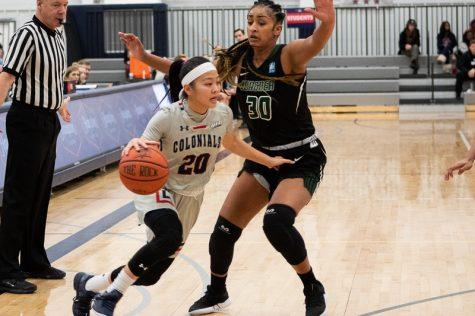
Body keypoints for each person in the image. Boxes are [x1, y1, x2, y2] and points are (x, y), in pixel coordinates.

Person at [71, 56, 293, 316]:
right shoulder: (166, 117)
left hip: (192, 196)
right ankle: (111, 296)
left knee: (151, 274)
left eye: (218, 83)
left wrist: (269, 161)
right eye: (208, 84)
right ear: (187, 88)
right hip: (159, 189)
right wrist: (134, 144)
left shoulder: (222, 114)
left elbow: (233, 143)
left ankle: (88, 284)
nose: (216, 89)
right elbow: (143, 148)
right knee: (170, 236)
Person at [188, 0, 334, 315]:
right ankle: (216, 292)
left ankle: (312, 287)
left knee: (276, 222)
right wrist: (144, 57)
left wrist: (327, 23)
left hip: (299, 158)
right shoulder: (239, 59)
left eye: (262, 22)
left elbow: (315, 43)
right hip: (261, 157)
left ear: (277, 28)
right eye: (250, 20)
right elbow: (187, 70)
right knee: (222, 232)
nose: (253, 27)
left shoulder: (289, 55)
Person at [0, 0, 71, 295]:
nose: (62, 11)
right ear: (39, 4)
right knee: (19, 196)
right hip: (27, 120)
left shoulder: (59, 34)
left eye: (65, 5)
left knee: (40, 195)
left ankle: (33, 260)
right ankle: (5, 270)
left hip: (48, 120)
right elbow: (7, 76)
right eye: (56, 4)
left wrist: (59, 104)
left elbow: (51, 78)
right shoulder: (27, 34)